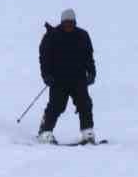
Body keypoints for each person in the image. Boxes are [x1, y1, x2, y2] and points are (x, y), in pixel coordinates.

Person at [36, 8, 97, 145]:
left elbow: (88, 56)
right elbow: (44, 58)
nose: (68, 25)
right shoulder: (52, 36)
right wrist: (46, 75)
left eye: (71, 23)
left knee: (85, 104)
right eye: (66, 23)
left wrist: (92, 72)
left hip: (78, 79)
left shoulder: (82, 35)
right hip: (58, 80)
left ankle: (87, 132)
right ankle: (45, 132)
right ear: (62, 22)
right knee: (56, 106)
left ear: (75, 22)